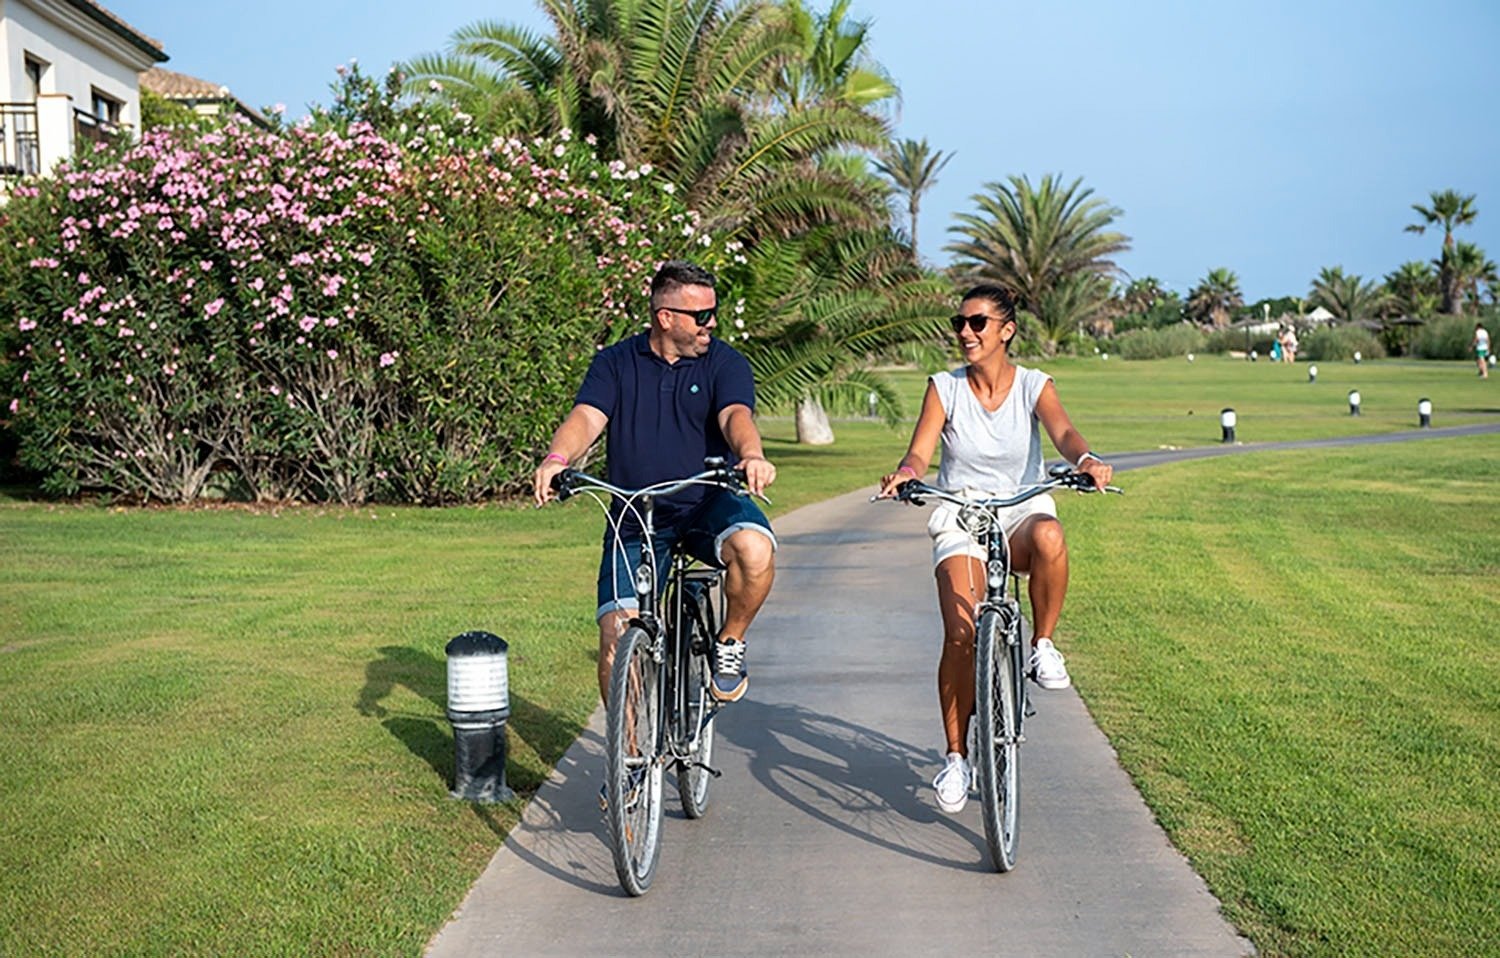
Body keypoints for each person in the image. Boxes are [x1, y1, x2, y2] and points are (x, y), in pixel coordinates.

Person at [875, 284, 1112, 815]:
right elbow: (919, 451)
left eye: (977, 323)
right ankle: (957, 758)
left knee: (1051, 535)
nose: (965, 333)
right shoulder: (944, 387)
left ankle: (1043, 645)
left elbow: (1065, 432)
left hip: (1019, 511)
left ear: (1006, 331)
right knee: (961, 635)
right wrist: (907, 475)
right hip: (961, 514)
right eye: (959, 323)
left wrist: (1087, 460)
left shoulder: (1033, 385)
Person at [533, 260, 777, 713]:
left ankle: (730, 640)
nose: (712, 323)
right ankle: (627, 766)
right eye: (701, 315)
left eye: (713, 312)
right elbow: (588, 416)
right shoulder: (615, 363)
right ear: (666, 317)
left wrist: (751, 454)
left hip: (707, 502)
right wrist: (556, 459)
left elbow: (734, 415)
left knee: (756, 547)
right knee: (617, 636)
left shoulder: (724, 362)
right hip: (635, 513)